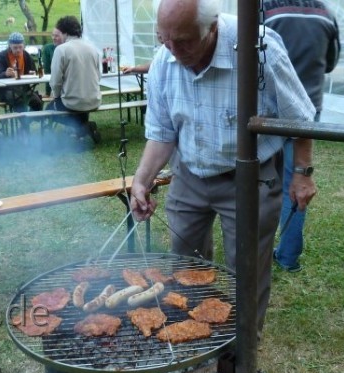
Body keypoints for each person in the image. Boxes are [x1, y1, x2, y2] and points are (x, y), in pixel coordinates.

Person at [129, 0, 317, 334]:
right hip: (189, 174)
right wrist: (141, 180)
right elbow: (162, 133)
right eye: (164, 39)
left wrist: (302, 173)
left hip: (249, 178)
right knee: (185, 259)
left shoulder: (260, 50)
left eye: (184, 41)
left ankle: (243, 349)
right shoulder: (164, 59)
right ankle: (192, 330)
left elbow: (300, 117)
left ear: (212, 26)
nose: (173, 50)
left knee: (245, 269)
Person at [265, 0, 340, 273]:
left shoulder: (264, 8)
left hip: (271, 111)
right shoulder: (326, 13)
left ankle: (259, 250)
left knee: (262, 181)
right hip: (309, 109)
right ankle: (288, 257)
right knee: (296, 183)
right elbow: (330, 63)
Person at [46, 16, 101, 142]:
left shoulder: (61, 50)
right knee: (79, 107)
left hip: (73, 103)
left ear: (64, 32)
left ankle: (82, 128)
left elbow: (55, 81)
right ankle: (81, 131)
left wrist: (56, 96)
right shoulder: (92, 48)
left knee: (49, 110)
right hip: (94, 100)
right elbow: (99, 77)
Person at [0, 32, 43, 113]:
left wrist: (32, 73)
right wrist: (5, 74)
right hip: (7, 90)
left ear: (23, 45)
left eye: (20, 47)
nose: (18, 50)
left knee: (38, 103)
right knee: (20, 103)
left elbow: (34, 72)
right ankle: (24, 124)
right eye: (15, 48)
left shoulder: (26, 55)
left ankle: (29, 121)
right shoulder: (2, 56)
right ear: (10, 46)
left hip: (25, 89)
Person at [42, 28, 63, 97]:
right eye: (53, 35)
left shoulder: (69, 48)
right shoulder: (48, 48)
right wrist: (48, 92)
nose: (54, 38)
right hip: (56, 86)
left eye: (57, 36)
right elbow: (47, 71)